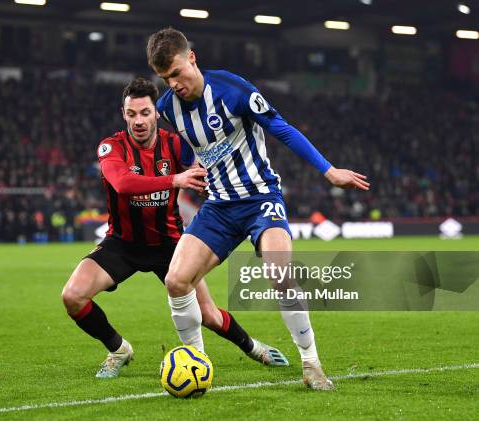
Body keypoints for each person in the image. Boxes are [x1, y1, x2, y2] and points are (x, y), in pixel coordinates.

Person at [146, 28, 370, 390]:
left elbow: (282, 129)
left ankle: (311, 363)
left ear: (192, 58)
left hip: (260, 199)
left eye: (176, 73)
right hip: (218, 206)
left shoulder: (234, 90)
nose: (173, 84)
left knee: (279, 272)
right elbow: (189, 148)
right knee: (176, 280)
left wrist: (328, 170)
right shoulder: (167, 109)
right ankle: (197, 364)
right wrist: (186, 170)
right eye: (165, 79)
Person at [61, 78, 289, 379]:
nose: (138, 121)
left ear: (157, 113)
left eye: (145, 113)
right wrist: (174, 180)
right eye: (132, 114)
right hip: (123, 243)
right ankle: (118, 349)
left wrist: (209, 187)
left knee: (208, 314)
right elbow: (123, 184)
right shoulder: (111, 146)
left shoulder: (177, 144)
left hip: (170, 244)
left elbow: (202, 175)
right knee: (72, 295)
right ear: (123, 113)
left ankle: (253, 348)